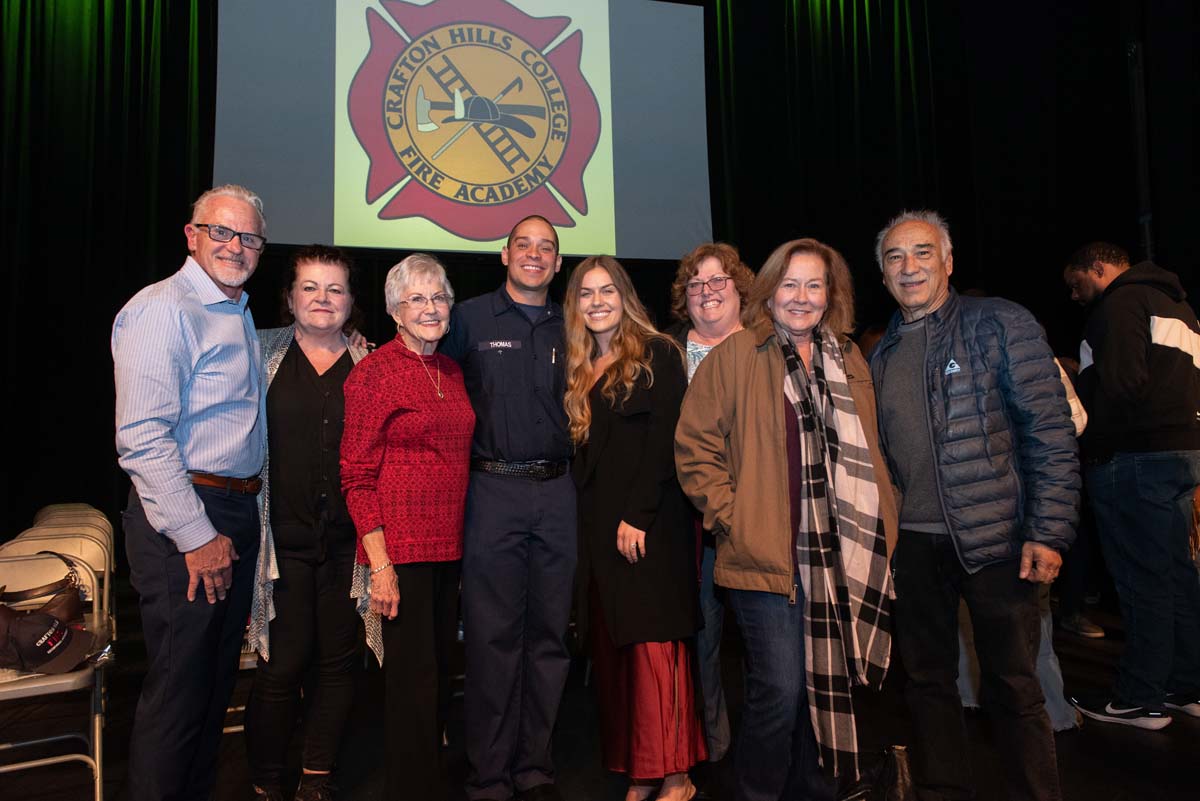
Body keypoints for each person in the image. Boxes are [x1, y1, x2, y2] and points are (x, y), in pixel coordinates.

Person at [676, 238, 897, 801]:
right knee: (779, 690)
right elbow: (695, 449)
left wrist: (886, 514)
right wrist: (734, 519)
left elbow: (872, 449)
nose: (801, 297)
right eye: (790, 284)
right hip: (765, 557)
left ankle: (814, 790)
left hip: (842, 557)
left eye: (813, 285)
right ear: (770, 292)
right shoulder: (736, 354)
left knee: (824, 684)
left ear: (830, 295)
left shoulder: (848, 357)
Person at [869, 210, 1078, 801]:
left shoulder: (1000, 323)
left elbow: (1050, 432)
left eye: (923, 252)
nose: (909, 267)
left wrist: (1048, 531)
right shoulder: (879, 354)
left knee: (1013, 687)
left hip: (998, 541)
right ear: (882, 275)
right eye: (894, 257)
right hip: (913, 546)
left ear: (948, 261)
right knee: (927, 685)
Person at [112, 184, 268, 801]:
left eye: (249, 237)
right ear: (192, 235)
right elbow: (143, 439)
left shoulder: (235, 310)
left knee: (211, 688)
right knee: (179, 696)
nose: (235, 246)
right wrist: (197, 536)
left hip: (232, 510)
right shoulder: (164, 308)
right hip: (186, 516)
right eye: (221, 232)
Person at [440, 215, 574, 801]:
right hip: (491, 493)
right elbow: (428, 377)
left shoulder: (574, 323)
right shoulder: (467, 319)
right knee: (492, 639)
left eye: (547, 248)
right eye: (524, 245)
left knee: (549, 637)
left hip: (560, 494)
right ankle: (489, 775)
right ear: (504, 254)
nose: (534, 255)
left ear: (558, 263)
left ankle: (534, 768)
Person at [564, 256, 706, 801]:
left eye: (608, 291)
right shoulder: (578, 367)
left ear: (625, 297)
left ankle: (677, 776)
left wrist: (637, 516)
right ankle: (642, 769)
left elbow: (667, 440)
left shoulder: (658, 354)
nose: (597, 302)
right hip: (599, 533)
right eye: (586, 293)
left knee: (654, 648)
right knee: (617, 654)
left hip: (649, 528)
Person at [340, 253, 475, 800]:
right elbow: (356, 475)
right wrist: (380, 565)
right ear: (395, 311)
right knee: (412, 688)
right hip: (401, 553)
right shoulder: (374, 373)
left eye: (439, 297)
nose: (430, 308)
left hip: (451, 549)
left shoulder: (451, 370)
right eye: (416, 299)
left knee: (440, 679)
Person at [243, 245, 370, 801]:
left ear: (350, 301)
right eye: (310, 288)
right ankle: (266, 780)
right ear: (290, 298)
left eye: (335, 289)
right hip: (281, 546)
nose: (323, 299)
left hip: (347, 547)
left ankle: (317, 776)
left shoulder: (370, 363)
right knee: (281, 665)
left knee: (339, 665)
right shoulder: (259, 352)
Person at [1063, 241, 1200, 729]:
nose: (1075, 296)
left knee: (1143, 580)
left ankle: (1141, 697)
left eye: (1076, 284)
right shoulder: (1181, 308)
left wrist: (1089, 430)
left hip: (1134, 456)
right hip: (1182, 452)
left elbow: (1123, 385)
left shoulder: (1120, 302)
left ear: (1098, 267)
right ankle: (1186, 685)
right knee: (1177, 574)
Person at [663, 243, 755, 772]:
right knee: (703, 642)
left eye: (719, 281)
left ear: (740, 289)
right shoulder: (665, 352)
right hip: (690, 525)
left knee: (768, 644)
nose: (707, 292)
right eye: (696, 284)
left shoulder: (769, 346)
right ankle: (713, 748)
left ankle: (768, 747)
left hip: (760, 521)